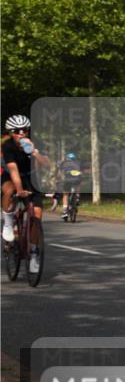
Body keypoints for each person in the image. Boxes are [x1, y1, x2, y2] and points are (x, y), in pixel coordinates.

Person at [2, 115, 51, 273]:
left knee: (36, 214)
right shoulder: (8, 146)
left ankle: (34, 253)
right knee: (9, 190)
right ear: (10, 133)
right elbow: (14, 171)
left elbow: (47, 165)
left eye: (25, 130)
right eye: (17, 131)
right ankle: (8, 223)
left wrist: (35, 152)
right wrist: (20, 190)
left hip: (30, 177)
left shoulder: (35, 143)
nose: (21, 133)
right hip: (11, 176)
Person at [55, 152, 84, 221]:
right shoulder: (78, 163)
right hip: (77, 179)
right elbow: (82, 172)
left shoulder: (64, 163)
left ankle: (65, 211)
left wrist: (57, 179)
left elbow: (60, 173)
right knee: (79, 184)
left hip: (67, 180)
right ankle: (77, 197)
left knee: (65, 194)